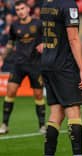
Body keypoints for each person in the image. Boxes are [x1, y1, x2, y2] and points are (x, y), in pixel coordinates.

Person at [40, 0, 82, 156]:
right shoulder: (68, 5)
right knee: (74, 110)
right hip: (64, 65)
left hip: (47, 62)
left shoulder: (46, 4)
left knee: (56, 112)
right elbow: (73, 38)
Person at [0, 0, 45, 135]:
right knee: (10, 92)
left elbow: (48, 39)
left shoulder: (38, 23)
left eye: (22, 8)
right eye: (18, 9)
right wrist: (2, 58)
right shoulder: (14, 25)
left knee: (38, 95)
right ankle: (4, 125)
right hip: (18, 64)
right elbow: (10, 43)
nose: (20, 11)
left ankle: (42, 126)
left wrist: (44, 45)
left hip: (35, 64)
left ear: (28, 9)